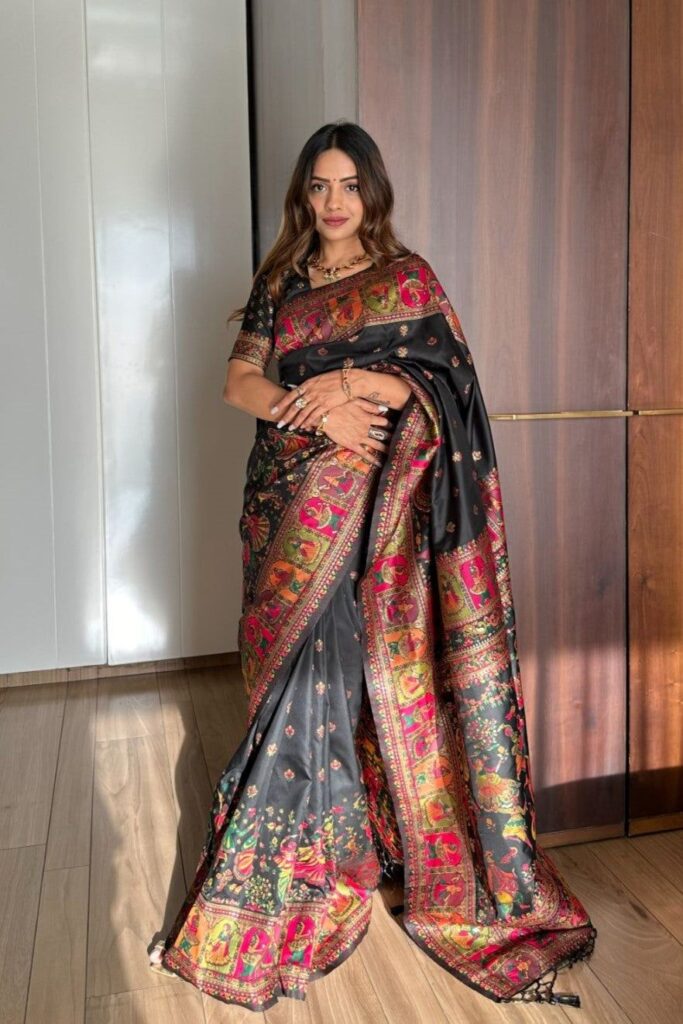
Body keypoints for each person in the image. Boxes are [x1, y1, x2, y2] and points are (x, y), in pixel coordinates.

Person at [148, 120, 597, 1011]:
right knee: (290, 686)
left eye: (349, 185)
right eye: (318, 187)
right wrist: (309, 412)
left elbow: (447, 386)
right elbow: (238, 384)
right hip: (286, 513)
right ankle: (301, 878)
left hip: (376, 519)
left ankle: (304, 882)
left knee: (346, 682)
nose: (334, 203)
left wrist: (355, 387)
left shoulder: (409, 280)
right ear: (301, 196)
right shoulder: (281, 281)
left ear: (373, 192)